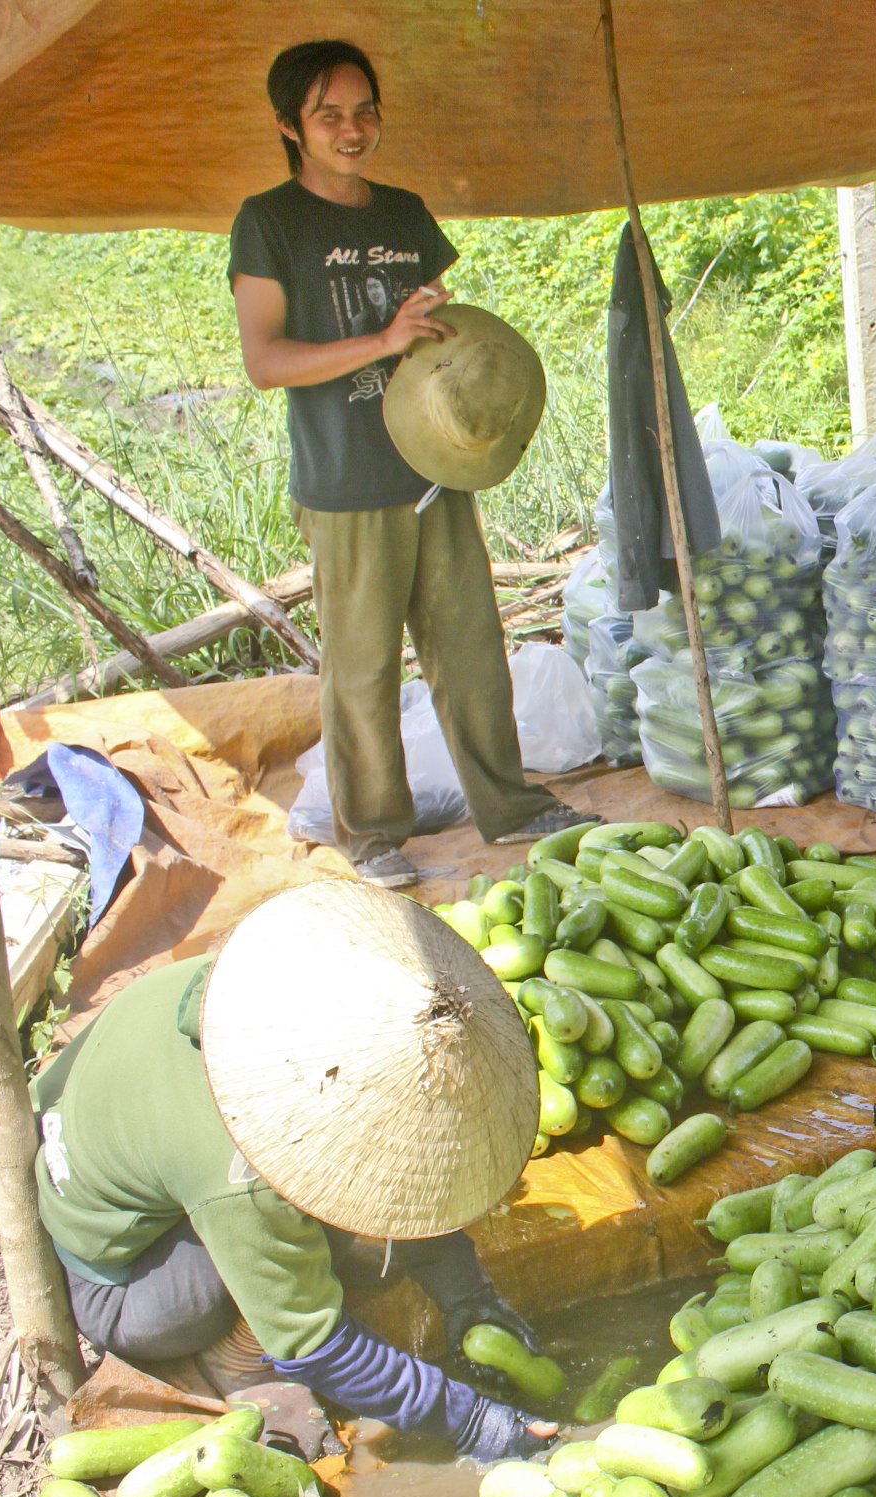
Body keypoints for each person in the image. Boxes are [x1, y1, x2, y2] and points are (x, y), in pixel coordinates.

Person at [34, 881, 555, 1460]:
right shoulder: (242, 1171)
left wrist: (468, 1298)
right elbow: (313, 1342)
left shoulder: (228, 987)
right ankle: (232, 1359)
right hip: (125, 1287)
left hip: (113, 1174)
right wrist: (473, 1422)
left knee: (357, 1222)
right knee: (333, 1232)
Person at [231, 39, 583, 888]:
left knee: (469, 649)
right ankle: (373, 832)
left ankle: (511, 806)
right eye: (329, 116)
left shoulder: (403, 213)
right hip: (346, 479)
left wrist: (418, 319)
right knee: (362, 667)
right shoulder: (270, 221)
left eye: (364, 111)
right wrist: (381, 340)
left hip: (435, 465)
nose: (352, 130)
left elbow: (427, 327)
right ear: (290, 126)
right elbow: (266, 360)